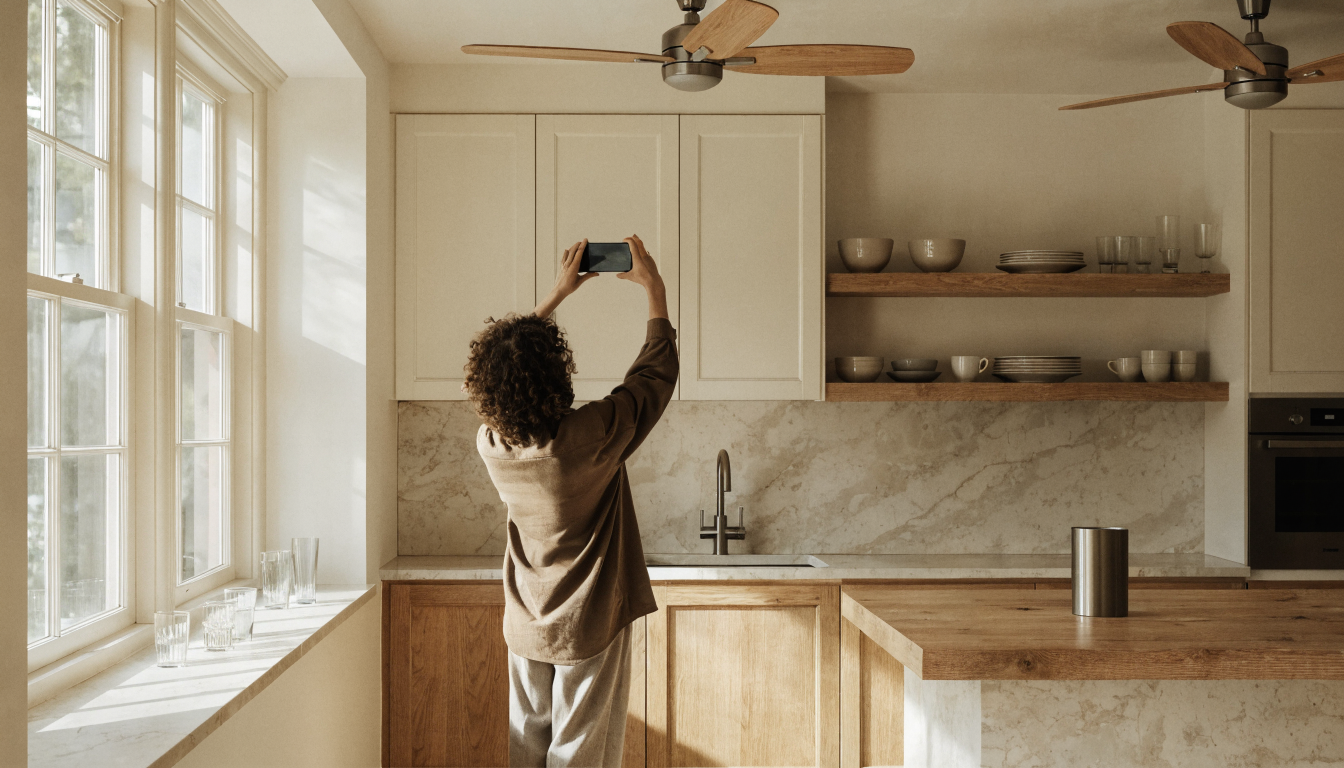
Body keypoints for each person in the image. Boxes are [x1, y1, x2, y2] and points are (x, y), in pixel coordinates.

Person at [464, 235, 677, 768]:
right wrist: (655, 292)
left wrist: (556, 295)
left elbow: (501, 374)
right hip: (587, 621)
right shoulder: (589, 435)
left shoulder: (492, 443)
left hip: (525, 620)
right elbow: (652, 377)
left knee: (527, 749)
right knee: (579, 756)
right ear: (556, 373)